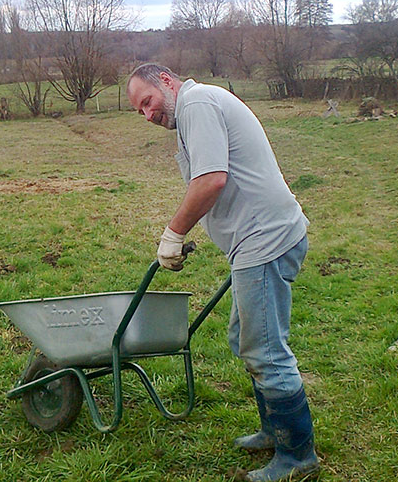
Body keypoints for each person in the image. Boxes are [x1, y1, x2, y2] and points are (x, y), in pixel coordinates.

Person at [126, 64, 319, 482]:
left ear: (167, 82)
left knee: (266, 351)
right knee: (245, 338)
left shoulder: (196, 104)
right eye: (139, 111)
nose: (147, 115)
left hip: (264, 240)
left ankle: (298, 457)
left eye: (148, 102)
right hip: (257, 240)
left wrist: (173, 233)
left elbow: (211, 179)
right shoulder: (195, 107)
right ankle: (275, 430)